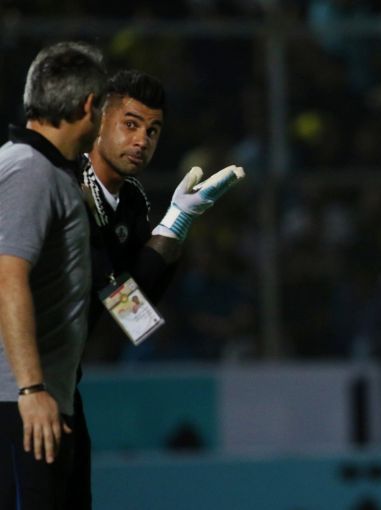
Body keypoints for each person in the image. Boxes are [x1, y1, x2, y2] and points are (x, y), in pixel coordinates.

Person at [69, 69, 245, 509]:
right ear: (100, 121)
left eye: (152, 130)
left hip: (62, 383)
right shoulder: (65, 190)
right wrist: (174, 223)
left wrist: (179, 220)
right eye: (130, 124)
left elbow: (136, 312)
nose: (141, 140)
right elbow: (123, 305)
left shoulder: (130, 202)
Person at [0, 41, 108, 509]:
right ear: (89, 106)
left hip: (42, 400)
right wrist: (30, 389)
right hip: (21, 403)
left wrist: (171, 232)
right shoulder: (30, 172)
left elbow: (97, 284)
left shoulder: (50, 173)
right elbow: (7, 277)